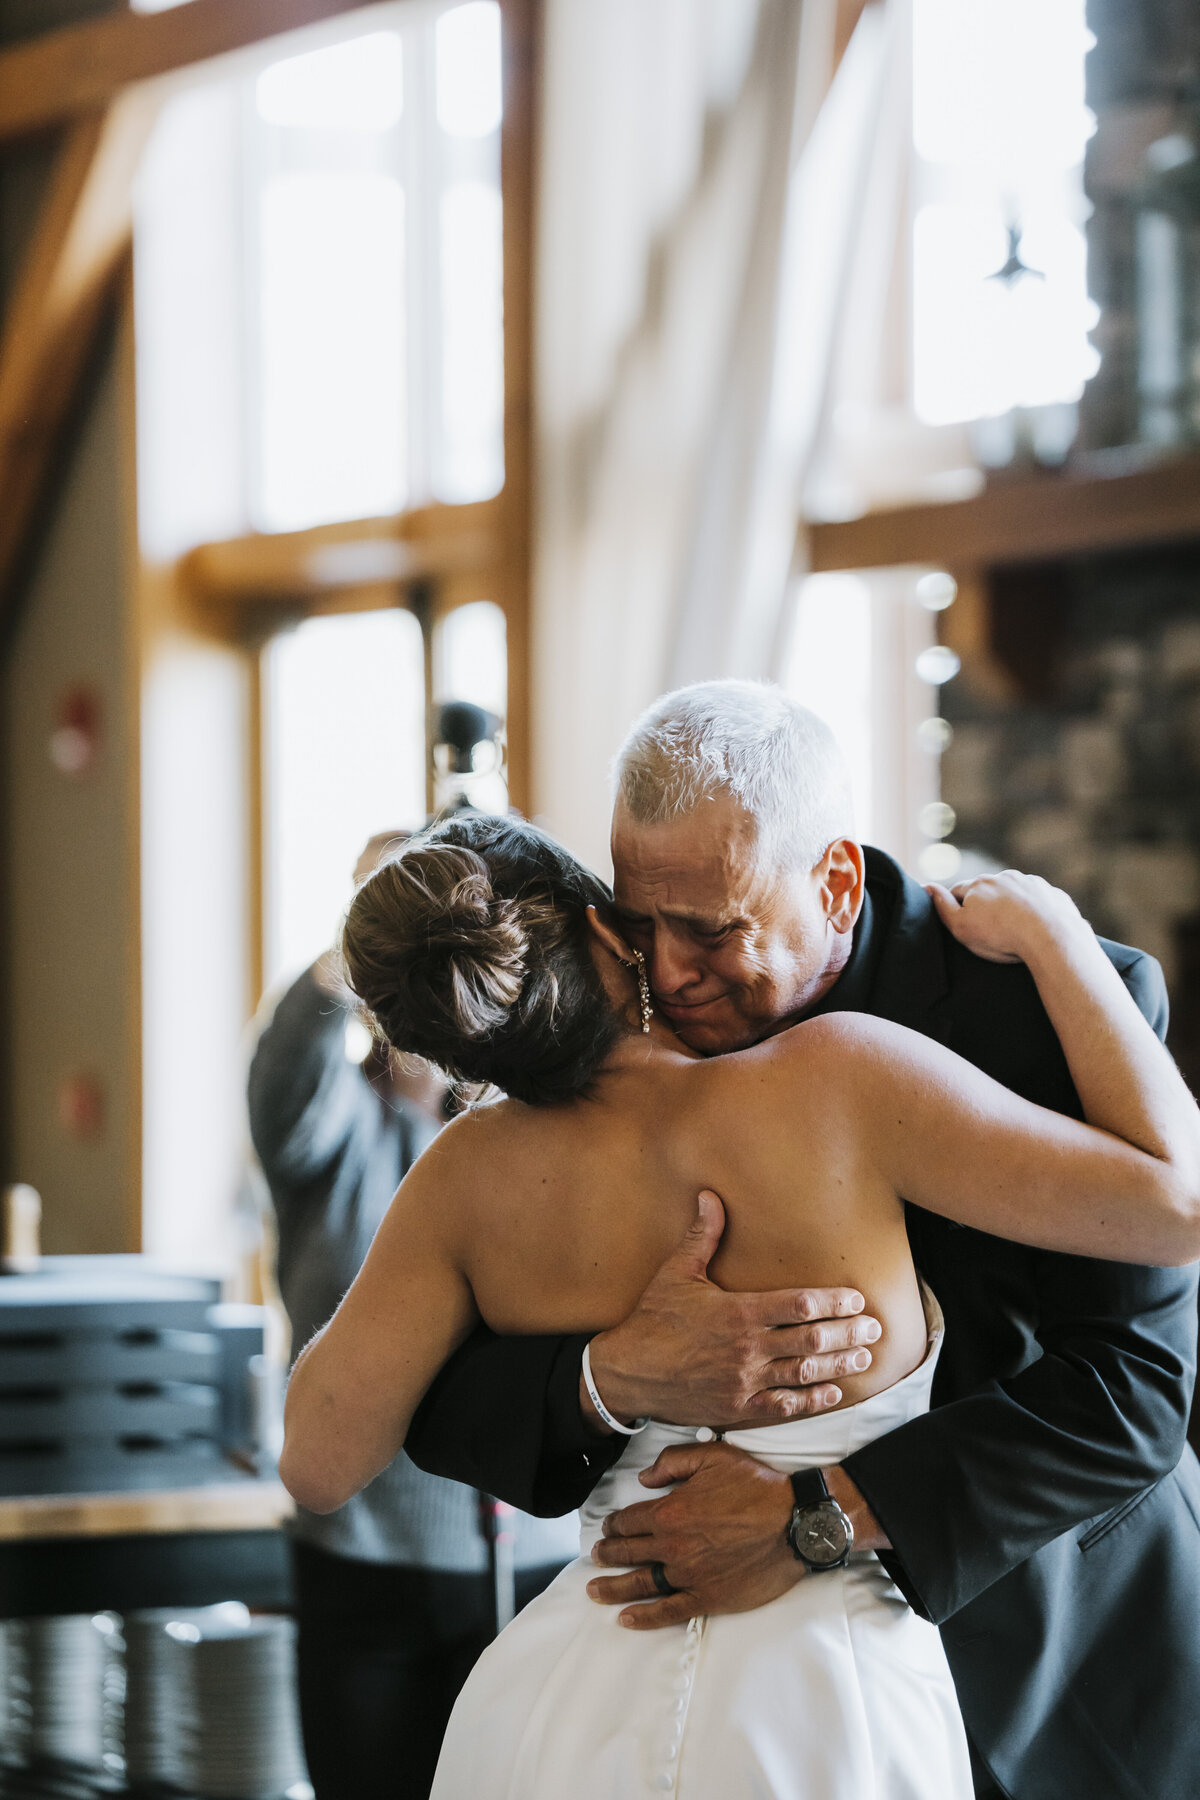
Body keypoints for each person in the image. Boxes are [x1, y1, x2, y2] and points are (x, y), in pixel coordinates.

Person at [279, 803, 1200, 1798]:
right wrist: (1059, 936)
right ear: (603, 932)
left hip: (574, 1694)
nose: (677, 965)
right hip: (826, 1695)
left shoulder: (458, 1185)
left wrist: (605, 1370)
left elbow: (317, 1464)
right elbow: (1177, 1211)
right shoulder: (839, 1077)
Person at [248, 832, 577, 1800]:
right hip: (365, 1557)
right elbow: (284, 1070)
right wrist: (356, 946)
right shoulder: (329, 1130)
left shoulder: (526, 1130)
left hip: (535, 1557)